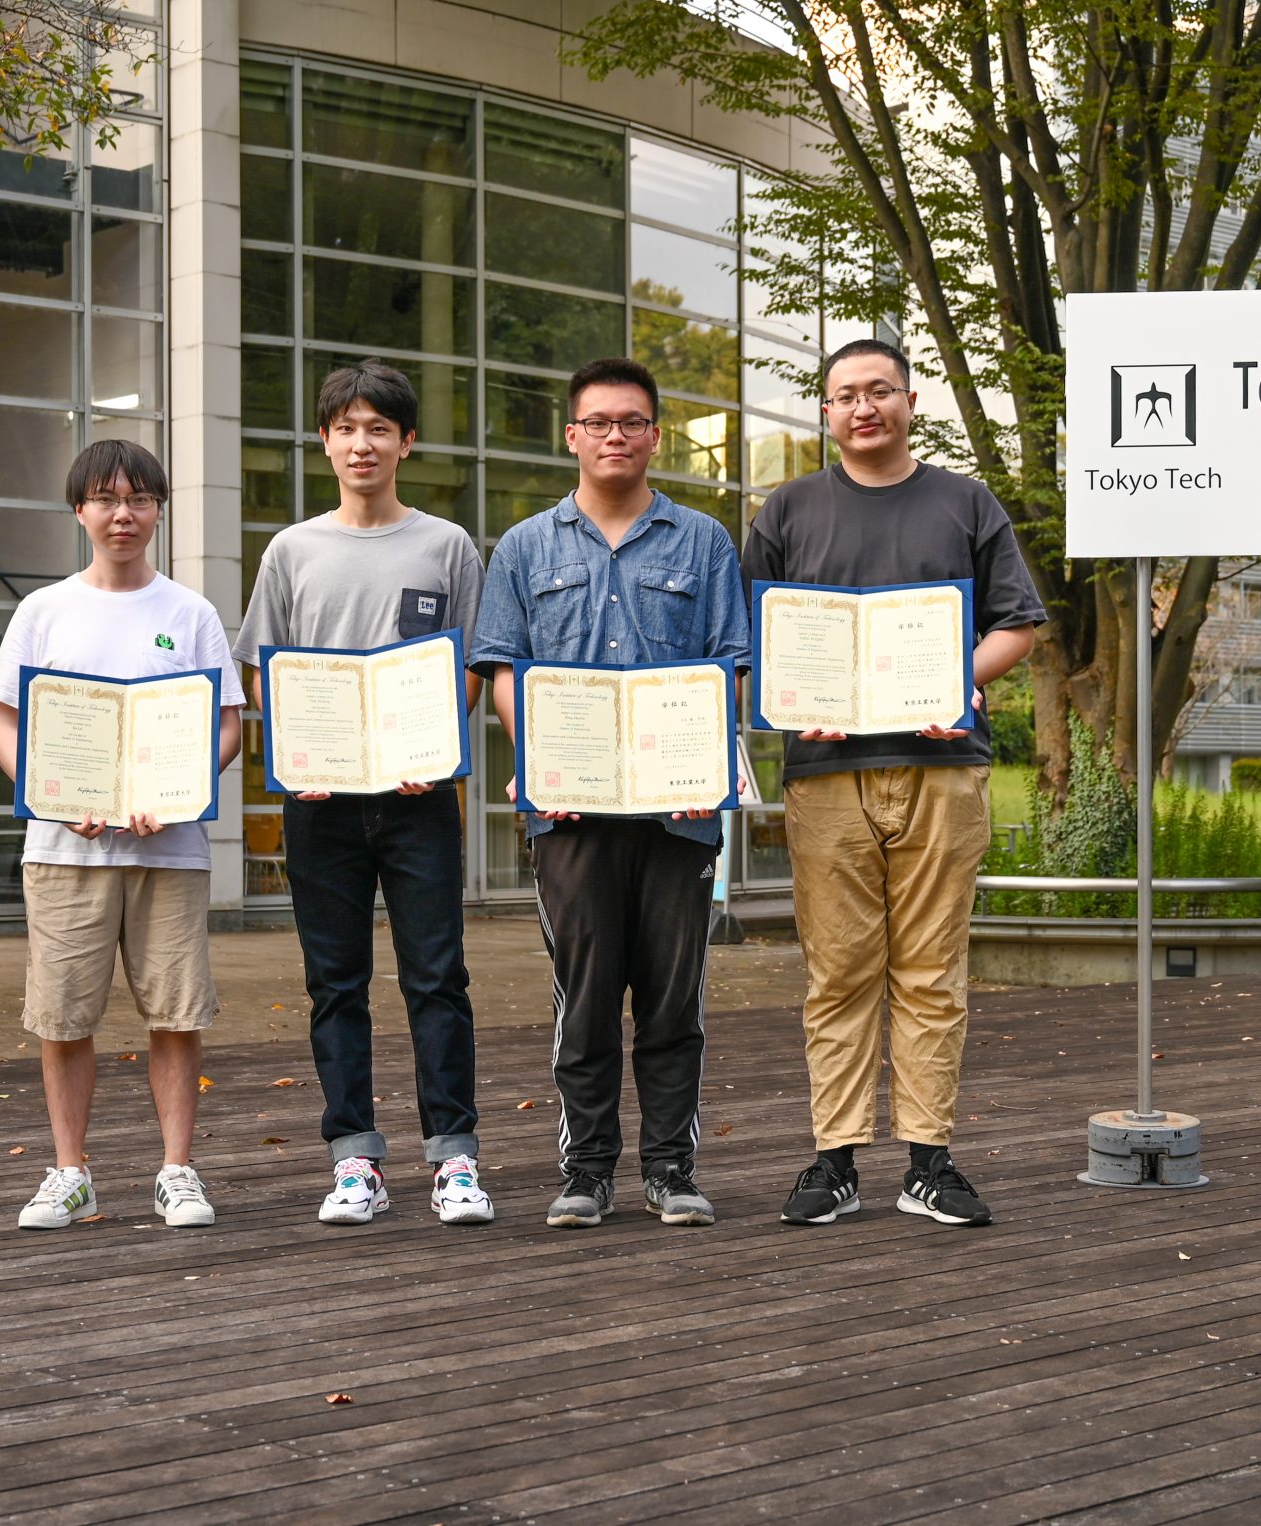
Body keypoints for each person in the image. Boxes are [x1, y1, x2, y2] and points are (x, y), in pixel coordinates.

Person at [742, 338, 1045, 1229]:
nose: (863, 407)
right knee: (837, 972)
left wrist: (958, 684)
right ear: (826, 412)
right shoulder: (788, 510)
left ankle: (929, 1160)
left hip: (943, 766)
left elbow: (1016, 626)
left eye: (880, 391)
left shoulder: (966, 502)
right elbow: (756, 639)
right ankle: (833, 1160)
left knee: (931, 969)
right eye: (845, 395)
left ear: (911, 401)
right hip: (827, 774)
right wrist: (793, 698)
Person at [469, 356, 750, 1229]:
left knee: (673, 999)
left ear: (655, 436)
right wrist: (539, 751)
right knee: (583, 1000)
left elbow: (732, 669)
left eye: (632, 422)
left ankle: (672, 1170)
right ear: (572, 437)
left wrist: (706, 759)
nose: (615, 436)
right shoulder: (524, 547)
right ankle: (586, 1172)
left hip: (679, 811)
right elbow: (503, 670)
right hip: (571, 810)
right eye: (599, 422)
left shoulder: (704, 542)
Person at [236, 360, 493, 1228]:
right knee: (335, 983)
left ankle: (453, 1158)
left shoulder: (447, 545)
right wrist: (301, 750)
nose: (361, 443)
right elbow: (264, 671)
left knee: (437, 978)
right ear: (324, 442)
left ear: (406, 442)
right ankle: (355, 1162)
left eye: (378, 428)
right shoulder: (292, 550)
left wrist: (436, 741)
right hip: (320, 800)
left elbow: (467, 668)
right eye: (346, 428)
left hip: (421, 795)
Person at [0, 441, 245, 1232]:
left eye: (138, 498)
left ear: (159, 509)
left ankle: (177, 1170)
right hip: (66, 850)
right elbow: (3, 719)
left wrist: (178, 792)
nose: (122, 513)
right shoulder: (44, 610)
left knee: (176, 1012)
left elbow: (226, 723)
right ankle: (70, 1172)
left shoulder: (190, 612)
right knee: (63, 1018)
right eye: (104, 498)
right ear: (80, 511)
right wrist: (50, 797)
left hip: (168, 849)